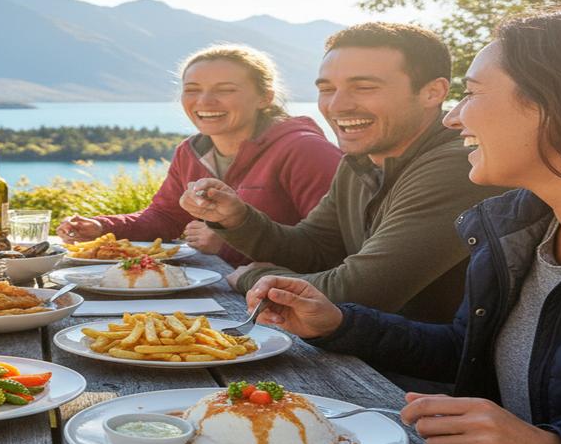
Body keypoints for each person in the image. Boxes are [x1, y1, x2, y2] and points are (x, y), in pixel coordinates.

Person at [245, 4, 561, 444]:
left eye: (472, 93)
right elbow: (467, 351)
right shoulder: (517, 231)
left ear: (560, 102)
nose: (454, 117)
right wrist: (340, 323)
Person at [182, 23, 501, 324]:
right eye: (327, 89)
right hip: (366, 356)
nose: (337, 105)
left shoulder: (459, 165)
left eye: (363, 87)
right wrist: (237, 219)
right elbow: (313, 248)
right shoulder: (360, 160)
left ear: (433, 92)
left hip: (420, 375)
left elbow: (360, 291)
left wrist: (252, 277)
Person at [58, 45, 340, 265]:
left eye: (225, 90)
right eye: (192, 90)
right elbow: (165, 217)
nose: (204, 101)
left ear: (264, 97)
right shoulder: (191, 151)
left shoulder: (306, 151)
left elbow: (333, 248)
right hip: (219, 294)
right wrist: (101, 227)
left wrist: (228, 244)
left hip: (286, 311)